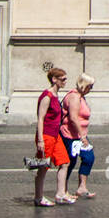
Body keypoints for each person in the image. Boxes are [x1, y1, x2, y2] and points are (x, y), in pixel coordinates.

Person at [27, 67, 74, 206]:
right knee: (43, 167)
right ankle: (38, 197)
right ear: (54, 79)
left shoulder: (55, 95)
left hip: (55, 134)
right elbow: (40, 118)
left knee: (64, 162)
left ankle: (60, 194)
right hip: (46, 135)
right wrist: (40, 140)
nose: (65, 81)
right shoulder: (46, 96)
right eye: (63, 79)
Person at [61, 74, 97, 199]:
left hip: (79, 134)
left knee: (88, 158)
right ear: (84, 85)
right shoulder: (74, 97)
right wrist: (82, 137)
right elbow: (73, 118)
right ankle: (63, 189)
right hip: (71, 135)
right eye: (90, 86)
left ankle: (82, 187)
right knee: (70, 162)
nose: (91, 89)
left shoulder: (81, 97)